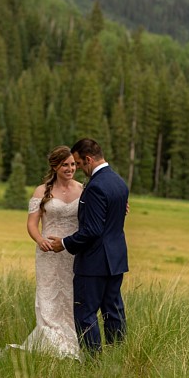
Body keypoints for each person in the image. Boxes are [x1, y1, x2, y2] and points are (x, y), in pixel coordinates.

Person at [50, 138, 129, 353]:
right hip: (116, 259)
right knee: (113, 310)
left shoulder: (95, 187)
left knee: (85, 314)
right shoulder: (119, 182)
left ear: (88, 159)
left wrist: (64, 243)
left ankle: (93, 363)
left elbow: (92, 230)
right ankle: (117, 354)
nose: (78, 168)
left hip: (94, 262)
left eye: (78, 163)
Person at [9, 146, 83, 359]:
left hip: (72, 252)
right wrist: (40, 239)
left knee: (71, 295)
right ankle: (50, 342)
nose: (70, 169)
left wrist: (120, 205)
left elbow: (100, 210)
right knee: (48, 294)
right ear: (55, 166)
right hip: (48, 253)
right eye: (65, 165)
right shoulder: (42, 191)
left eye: (73, 164)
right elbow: (32, 224)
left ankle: (72, 342)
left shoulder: (83, 189)